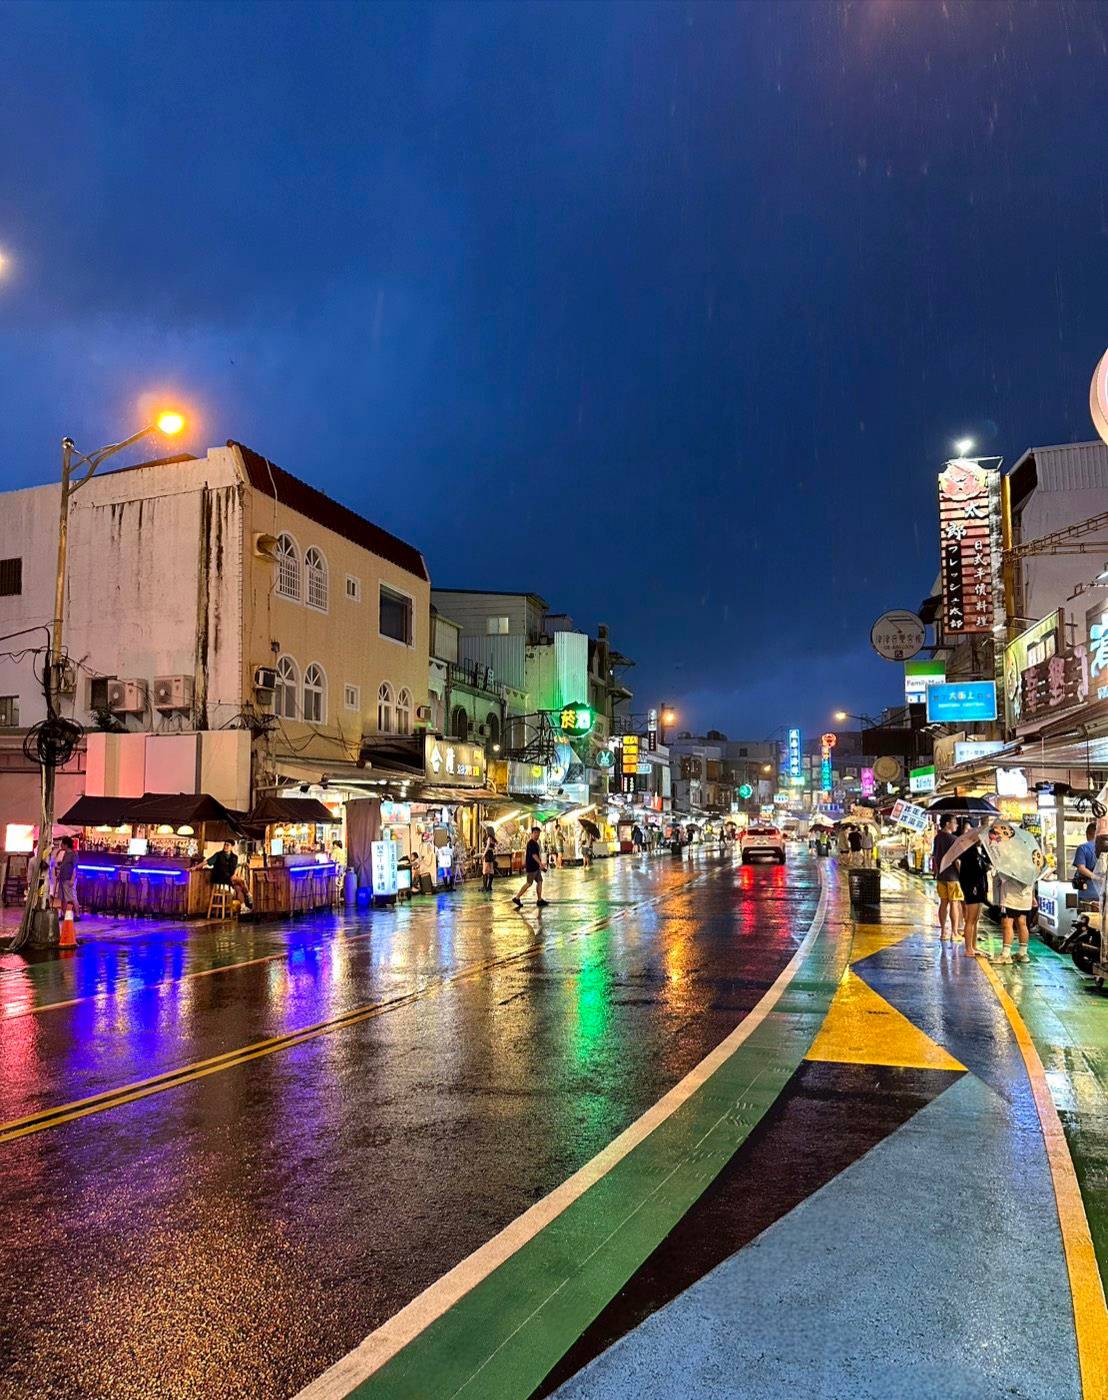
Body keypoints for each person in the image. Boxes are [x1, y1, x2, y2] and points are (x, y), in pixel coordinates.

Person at [956, 827, 990, 958]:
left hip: (978, 888)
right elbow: (970, 873)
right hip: (973, 889)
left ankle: (973, 946)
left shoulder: (976, 852)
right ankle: (968, 948)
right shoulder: (969, 853)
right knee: (970, 919)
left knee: (975, 919)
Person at [195, 839, 253, 911]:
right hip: (219, 877)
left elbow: (235, 868)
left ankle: (243, 907)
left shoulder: (235, 857)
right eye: (225, 844)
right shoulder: (218, 855)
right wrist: (195, 867)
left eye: (227, 845)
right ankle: (249, 895)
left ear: (232, 847)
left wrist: (234, 875)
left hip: (230, 877)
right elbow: (207, 862)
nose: (225, 846)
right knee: (241, 880)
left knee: (238, 888)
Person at [932, 816, 963, 941]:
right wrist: (962, 874)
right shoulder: (954, 839)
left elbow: (935, 856)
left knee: (943, 903)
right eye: (954, 823)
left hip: (941, 875)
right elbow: (957, 860)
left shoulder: (937, 838)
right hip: (953, 876)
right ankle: (954, 933)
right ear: (947, 824)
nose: (956, 825)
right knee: (954, 903)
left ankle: (943, 932)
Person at [993, 874, 1033, 964]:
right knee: (1022, 923)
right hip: (1026, 895)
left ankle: (1005, 955)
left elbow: (1003, 875)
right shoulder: (1030, 861)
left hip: (1011, 895)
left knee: (1007, 923)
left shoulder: (1011, 860)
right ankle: (1023, 953)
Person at [512, 826, 548, 907]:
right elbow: (534, 855)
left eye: (538, 833)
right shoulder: (531, 843)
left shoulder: (535, 843)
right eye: (535, 833)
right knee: (529, 883)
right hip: (532, 867)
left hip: (536, 867)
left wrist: (538, 865)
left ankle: (539, 900)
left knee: (539, 881)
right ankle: (517, 897)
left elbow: (528, 853)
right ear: (532, 834)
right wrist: (540, 864)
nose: (537, 835)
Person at [53, 835, 80, 918]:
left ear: (66, 845)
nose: (61, 846)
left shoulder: (73, 854)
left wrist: (72, 879)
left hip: (69, 879)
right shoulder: (65, 853)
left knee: (71, 897)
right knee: (63, 897)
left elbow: (75, 868)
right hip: (63, 878)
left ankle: (77, 915)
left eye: (62, 844)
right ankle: (63, 914)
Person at [1072, 822, 1098, 893]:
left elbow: (1081, 868)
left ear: (1087, 833)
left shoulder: (1082, 848)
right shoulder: (1104, 848)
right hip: (1102, 892)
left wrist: (1096, 877)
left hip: (1087, 891)